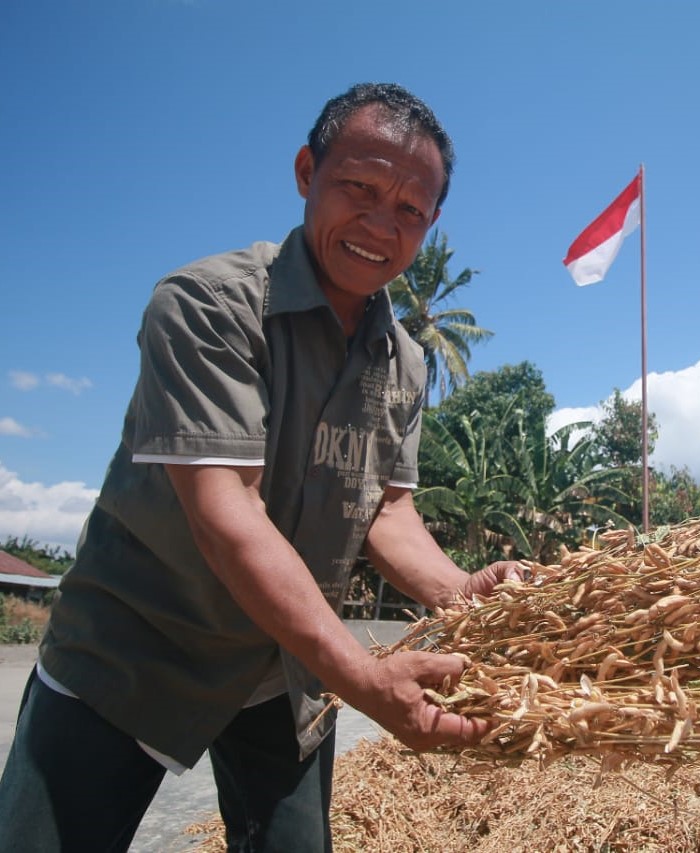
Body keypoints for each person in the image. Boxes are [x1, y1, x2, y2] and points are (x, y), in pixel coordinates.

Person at [0, 82, 515, 853]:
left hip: (284, 667)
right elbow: (227, 513)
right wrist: (362, 678)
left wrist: (461, 591)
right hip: (135, 650)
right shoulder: (209, 305)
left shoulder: (403, 359)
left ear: (432, 222)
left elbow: (386, 510)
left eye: (410, 209)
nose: (381, 225)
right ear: (307, 171)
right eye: (360, 188)